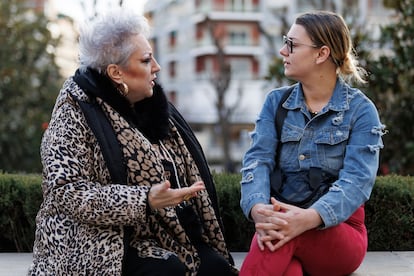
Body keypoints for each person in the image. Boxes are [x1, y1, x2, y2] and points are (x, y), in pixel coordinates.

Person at [28, 9, 237, 276]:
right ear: (116, 72)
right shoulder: (74, 110)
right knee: (167, 271)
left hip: (164, 234)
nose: (157, 67)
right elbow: (68, 192)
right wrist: (145, 199)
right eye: (147, 60)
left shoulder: (156, 109)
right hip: (95, 243)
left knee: (217, 268)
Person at [239, 10, 386, 276]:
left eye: (292, 44)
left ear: (322, 54)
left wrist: (307, 218)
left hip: (340, 234)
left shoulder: (361, 112)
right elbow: (257, 161)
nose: (283, 51)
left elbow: (356, 182)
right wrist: (258, 207)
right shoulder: (276, 103)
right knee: (289, 269)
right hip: (281, 223)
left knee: (282, 231)